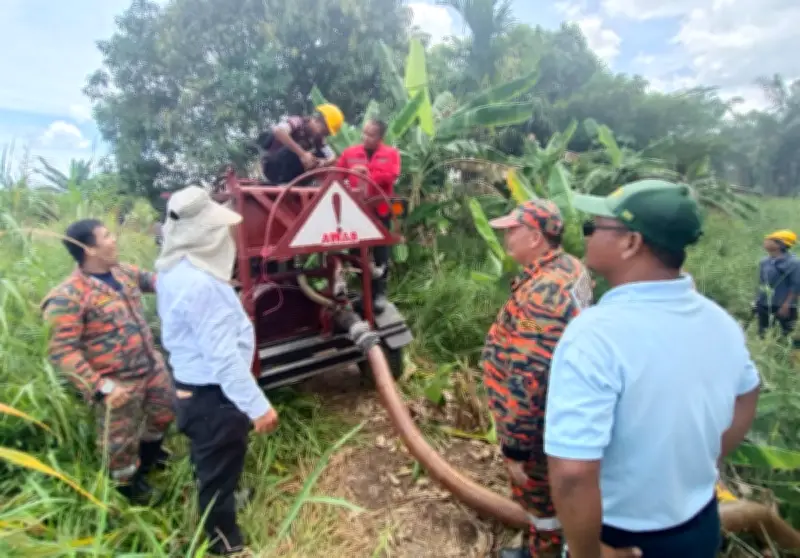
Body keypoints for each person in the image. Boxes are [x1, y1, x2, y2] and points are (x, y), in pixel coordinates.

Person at [544, 180, 761, 558]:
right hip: (699, 526)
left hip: (622, 537)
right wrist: (704, 459)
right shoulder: (720, 322)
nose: (587, 235)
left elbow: (573, 473)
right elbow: (748, 393)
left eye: (594, 227)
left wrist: (589, 552)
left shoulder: (595, 335)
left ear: (632, 242)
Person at [155, 185, 279, 557]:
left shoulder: (173, 269)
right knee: (217, 465)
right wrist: (257, 407)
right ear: (205, 236)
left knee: (212, 460)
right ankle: (224, 543)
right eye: (218, 230)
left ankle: (226, 500)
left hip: (193, 388)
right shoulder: (202, 286)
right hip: (213, 396)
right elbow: (223, 359)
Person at [479, 200, 593, 558]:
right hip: (562, 409)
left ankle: (543, 551)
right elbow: (542, 335)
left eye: (513, 231)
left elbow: (529, 375)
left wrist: (516, 447)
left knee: (540, 498)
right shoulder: (570, 268)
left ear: (535, 237)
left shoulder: (543, 294)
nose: (507, 239)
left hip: (539, 426)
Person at [41, 219, 174, 503]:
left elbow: (157, 282)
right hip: (117, 383)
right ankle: (127, 490)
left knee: (163, 415)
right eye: (106, 236)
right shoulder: (68, 296)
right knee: (119, 443)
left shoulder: (123, 273)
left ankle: (149, 460)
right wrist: (101, 387)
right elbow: (61, 351)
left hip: (151, 367)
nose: (114, 239)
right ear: (90, 249)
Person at [336, 119, 401, 312]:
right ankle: (366, 291)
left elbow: (391, 175)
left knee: (380, 251)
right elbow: (338, 175)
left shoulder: (391, 154)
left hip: (380, 209)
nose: (365, 137)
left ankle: (379, 293)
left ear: (380, 137)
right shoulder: (350, 153)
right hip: (355, 211)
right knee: (356, 252)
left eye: (371, 135)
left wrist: (367, 173)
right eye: (364, 133)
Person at [257, 104, 344, 185]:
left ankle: (296, 185)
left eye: (326, 134)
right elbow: (278, 131)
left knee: (317, 157)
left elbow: (332, 156)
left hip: (291, 175)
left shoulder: (318, 139)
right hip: (273, 166)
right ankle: (281, 182)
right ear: (318, 120)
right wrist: (302, 154)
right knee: (294, 150)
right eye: (324, 132)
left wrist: (323, 162)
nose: (323, 135)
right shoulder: (297, 122)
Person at [754, 229, 800, 344]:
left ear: (780, 244)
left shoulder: (794, 263)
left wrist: (786, 305)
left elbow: (796, 285)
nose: (766, 241)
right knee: (763, 334)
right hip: (764, 304)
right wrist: (757, 301)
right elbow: (761, 283)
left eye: (771, 240)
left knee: (785, 336)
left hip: (784, 306)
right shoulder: (764, 261)